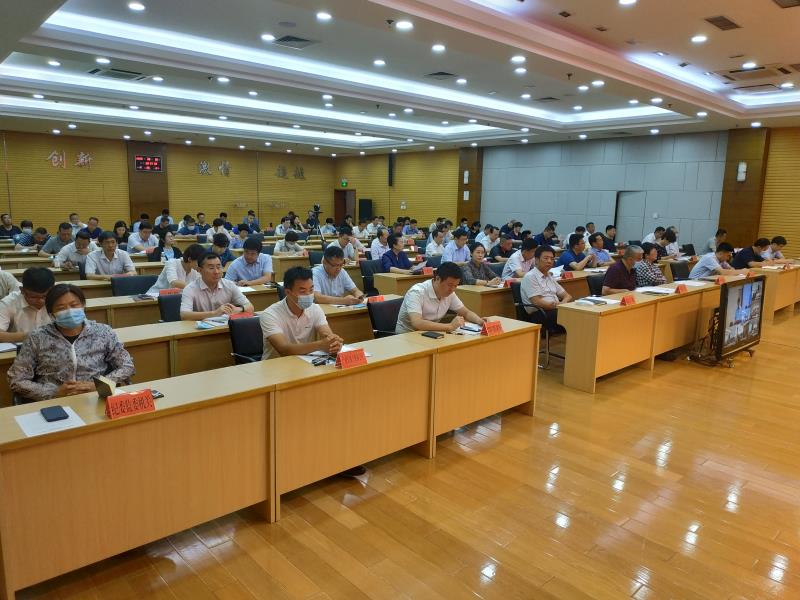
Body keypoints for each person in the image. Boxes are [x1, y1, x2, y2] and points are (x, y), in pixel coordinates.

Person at [8, 284, 135, 402]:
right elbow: (17, 379)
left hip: (95, 398)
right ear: (51, 314)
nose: (69, 311)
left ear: (83, 305)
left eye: (74, 305)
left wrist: (98, 385)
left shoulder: (103, 332)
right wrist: (54, 392)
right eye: (61, 308)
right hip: (53, 402)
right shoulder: (37, 338)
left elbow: (127, 366)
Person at [260, 266, 343, 362]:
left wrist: (333, 343)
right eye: (302, 291)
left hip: (305, 362)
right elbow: (284, 349)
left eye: (311, 290)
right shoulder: (270, 314)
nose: (308, 295)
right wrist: (320, 345)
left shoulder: (315, 309)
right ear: (288, 292)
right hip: (275, 365)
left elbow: (327, 335)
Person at [395, 262, 484, 333]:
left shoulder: (450, 293)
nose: (452, 289)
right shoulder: (417, 292)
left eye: (455, 286)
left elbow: (466, 313)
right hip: (407, 335)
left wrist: (479, 321)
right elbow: (417, 323)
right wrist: (449, 326)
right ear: (438, 279)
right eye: (450, 285)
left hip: (430, 334)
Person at [180, 252, 254, 320]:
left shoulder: (229, 285)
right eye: (211, 268)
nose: (216, 272)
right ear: (199, 270)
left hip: (225, 327)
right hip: (200, 328)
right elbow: (184, 315)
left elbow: (250, 307)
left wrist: (239, 309)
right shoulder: (190, 289)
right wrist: (214, 313)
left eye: (219, 267)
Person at [520, 246, 573, 330]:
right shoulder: (530, 277)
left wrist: (562, 304)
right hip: (540, 313)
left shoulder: (549, 276)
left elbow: (567, 296)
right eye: (546, 258)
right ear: (536, 260)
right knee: (574, 315)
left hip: (555, 308)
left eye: (552, 259)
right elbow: (537, 302)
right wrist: (559, 306)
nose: (549, 261)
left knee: (578, 311)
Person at [0, 268, 55, 342]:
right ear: (22, 290)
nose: (41, 301)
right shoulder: (8, 303)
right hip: (21, 346)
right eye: (34, 297)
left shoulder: (58, 298)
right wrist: (30, 336)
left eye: (45, 296)